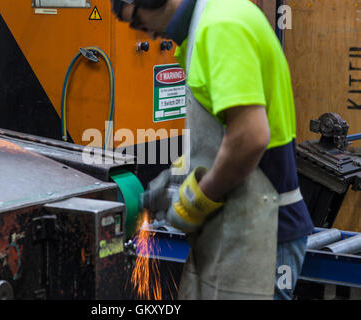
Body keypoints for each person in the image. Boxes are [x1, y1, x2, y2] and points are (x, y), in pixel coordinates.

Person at [111, 0, 314, 299]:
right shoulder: (204, 27)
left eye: (140, 22)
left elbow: (249, 137)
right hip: (235, 230)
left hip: (262, 232)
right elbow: (220, 134)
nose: (149, 36)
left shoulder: (221, 25)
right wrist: (180, 174)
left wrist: (197, 198)